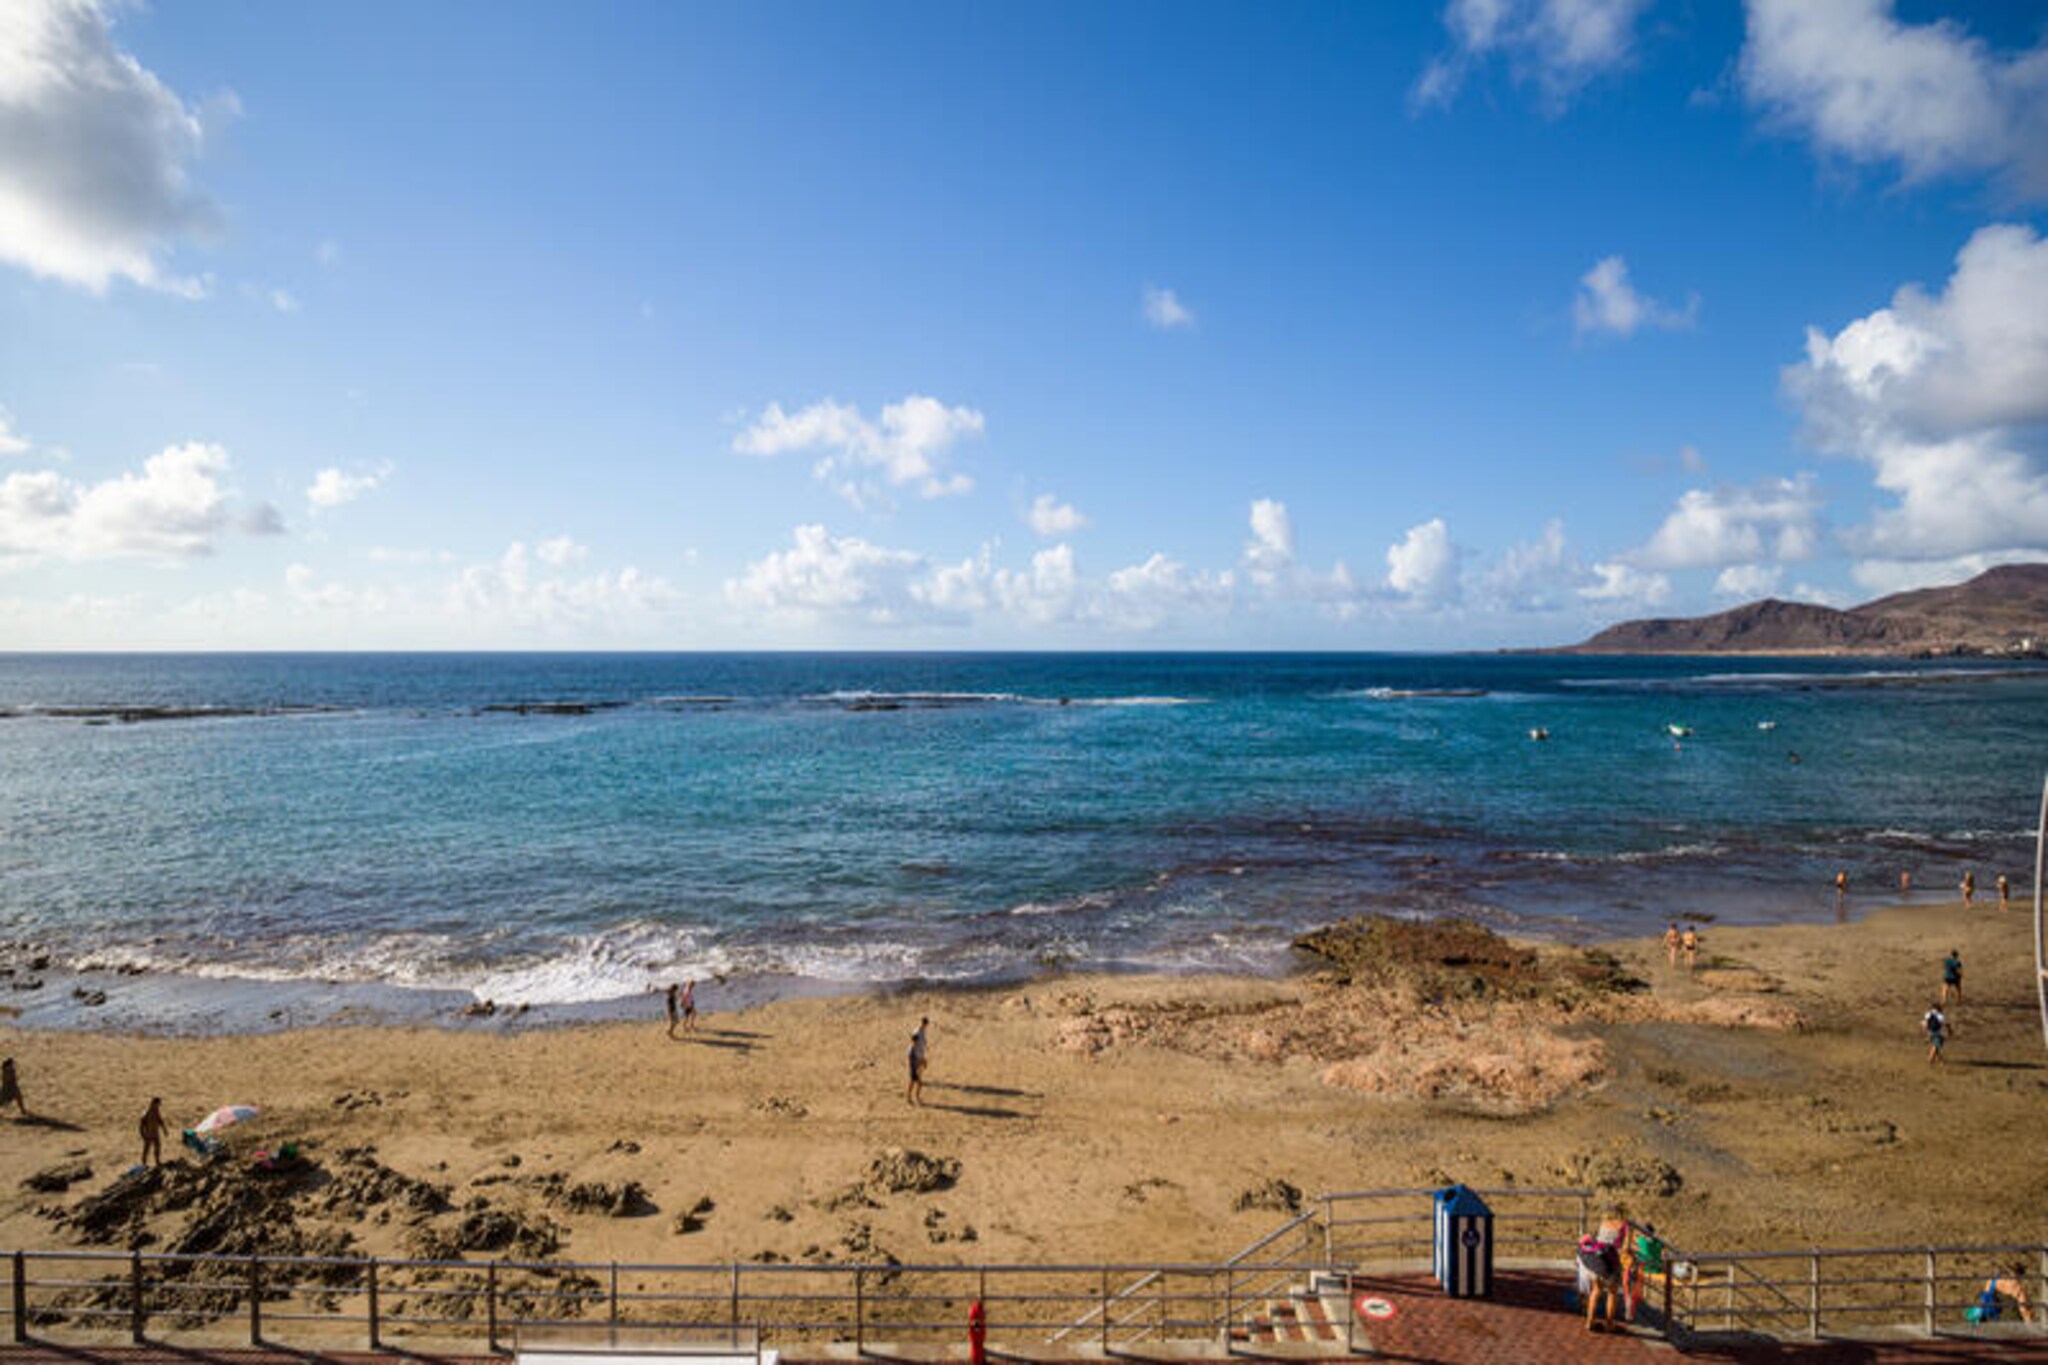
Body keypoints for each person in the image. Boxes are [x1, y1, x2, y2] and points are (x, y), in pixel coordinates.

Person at [139, 1097, 167, 1166]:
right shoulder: (146, 1113)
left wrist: (164, 1130)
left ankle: (157, 1161)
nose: (158, 1106)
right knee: (146, 1149)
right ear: (154, 1103)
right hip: (148, 1134)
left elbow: (160, 1121)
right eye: (158, 1104)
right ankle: (144, 1163)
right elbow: (141, 1125)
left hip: (155, 1134)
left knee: (157, 1147)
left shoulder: (156, 1112)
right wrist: (143, 1134)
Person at [906, 1028, 927, 1107]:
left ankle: (909, 1097)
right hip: (914, 1069)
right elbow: (917, 1058)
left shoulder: (910, 1048)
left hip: (912, 1068)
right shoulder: (914, 1049)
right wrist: (922, 1063)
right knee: (919, 1084)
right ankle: (916, 1097)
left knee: (912, 1083)